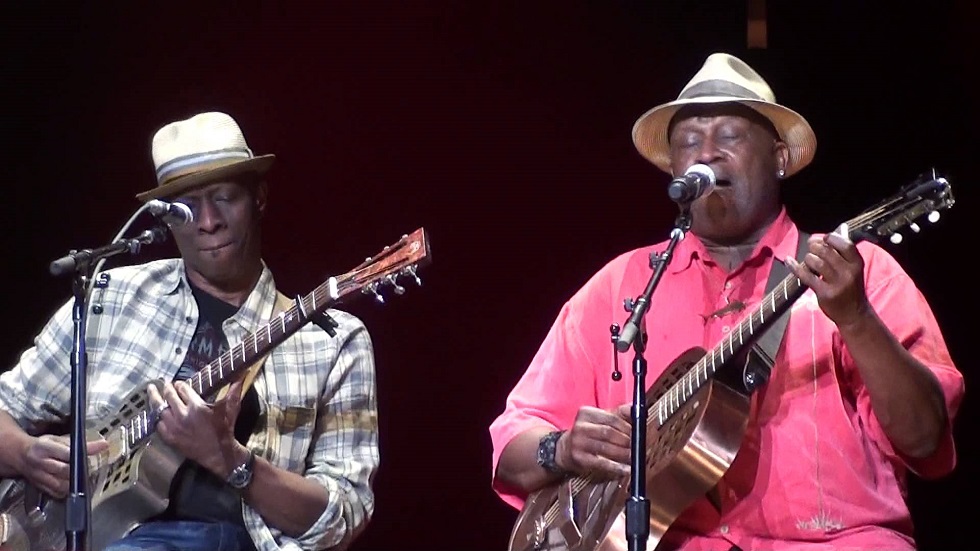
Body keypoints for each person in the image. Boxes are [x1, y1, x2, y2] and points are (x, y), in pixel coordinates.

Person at [489, 52, 964, 550]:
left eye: (729, 136)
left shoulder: (855, 275)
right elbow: (511, 443)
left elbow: (925, 439)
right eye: (689, 142)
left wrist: (856, 318)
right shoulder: (621, 285)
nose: (706, 154)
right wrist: (561, 449)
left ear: (780, 157)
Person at [0, 112, 379, 551]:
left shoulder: (333, 342)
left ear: (259, 197)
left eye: (224, 198)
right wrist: (26, 455)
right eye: (186, 208)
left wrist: (232, 461)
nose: (208, 221)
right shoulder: (109, 296)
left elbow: (344, 515)